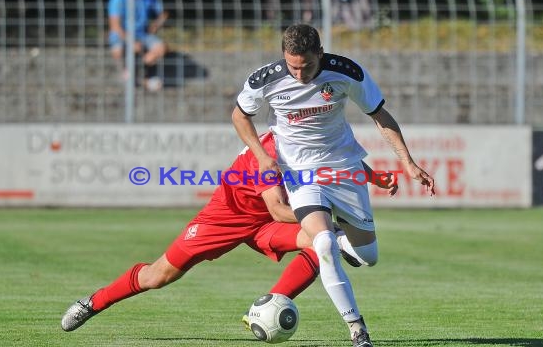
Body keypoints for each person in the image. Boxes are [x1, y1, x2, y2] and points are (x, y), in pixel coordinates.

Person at [61, 131, 398, 334]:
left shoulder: (307, 138)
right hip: (228, 218)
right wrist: (324, 217)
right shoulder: (265, 154)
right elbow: (279, 209)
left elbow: (339, 161)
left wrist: (374, 178)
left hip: (267, 223)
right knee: (157, 276)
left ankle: (267, 306)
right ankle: (94, 302)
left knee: (319, 245)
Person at [231, 24, 435, 347]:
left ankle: (341, 237)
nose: (299, 73)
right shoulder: (265, 79)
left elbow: (379, 115)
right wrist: (261, 155)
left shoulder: (346, 72)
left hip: (345, 170)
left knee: (367, 257)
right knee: (321, 242)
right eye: (292, 66)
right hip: (300, 174)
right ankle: (357, 329)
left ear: (320, 54)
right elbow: (240, 115)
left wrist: (408, 162)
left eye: (307, 66)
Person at [107, 0, 168, 91]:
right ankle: (131, 76)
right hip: (121, 34)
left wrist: (155, 25)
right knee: (117, 50)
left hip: (142, 34)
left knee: (161, 48)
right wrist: (131, 42)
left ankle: (137, 71)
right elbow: (115, 26)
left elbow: (163, 14)